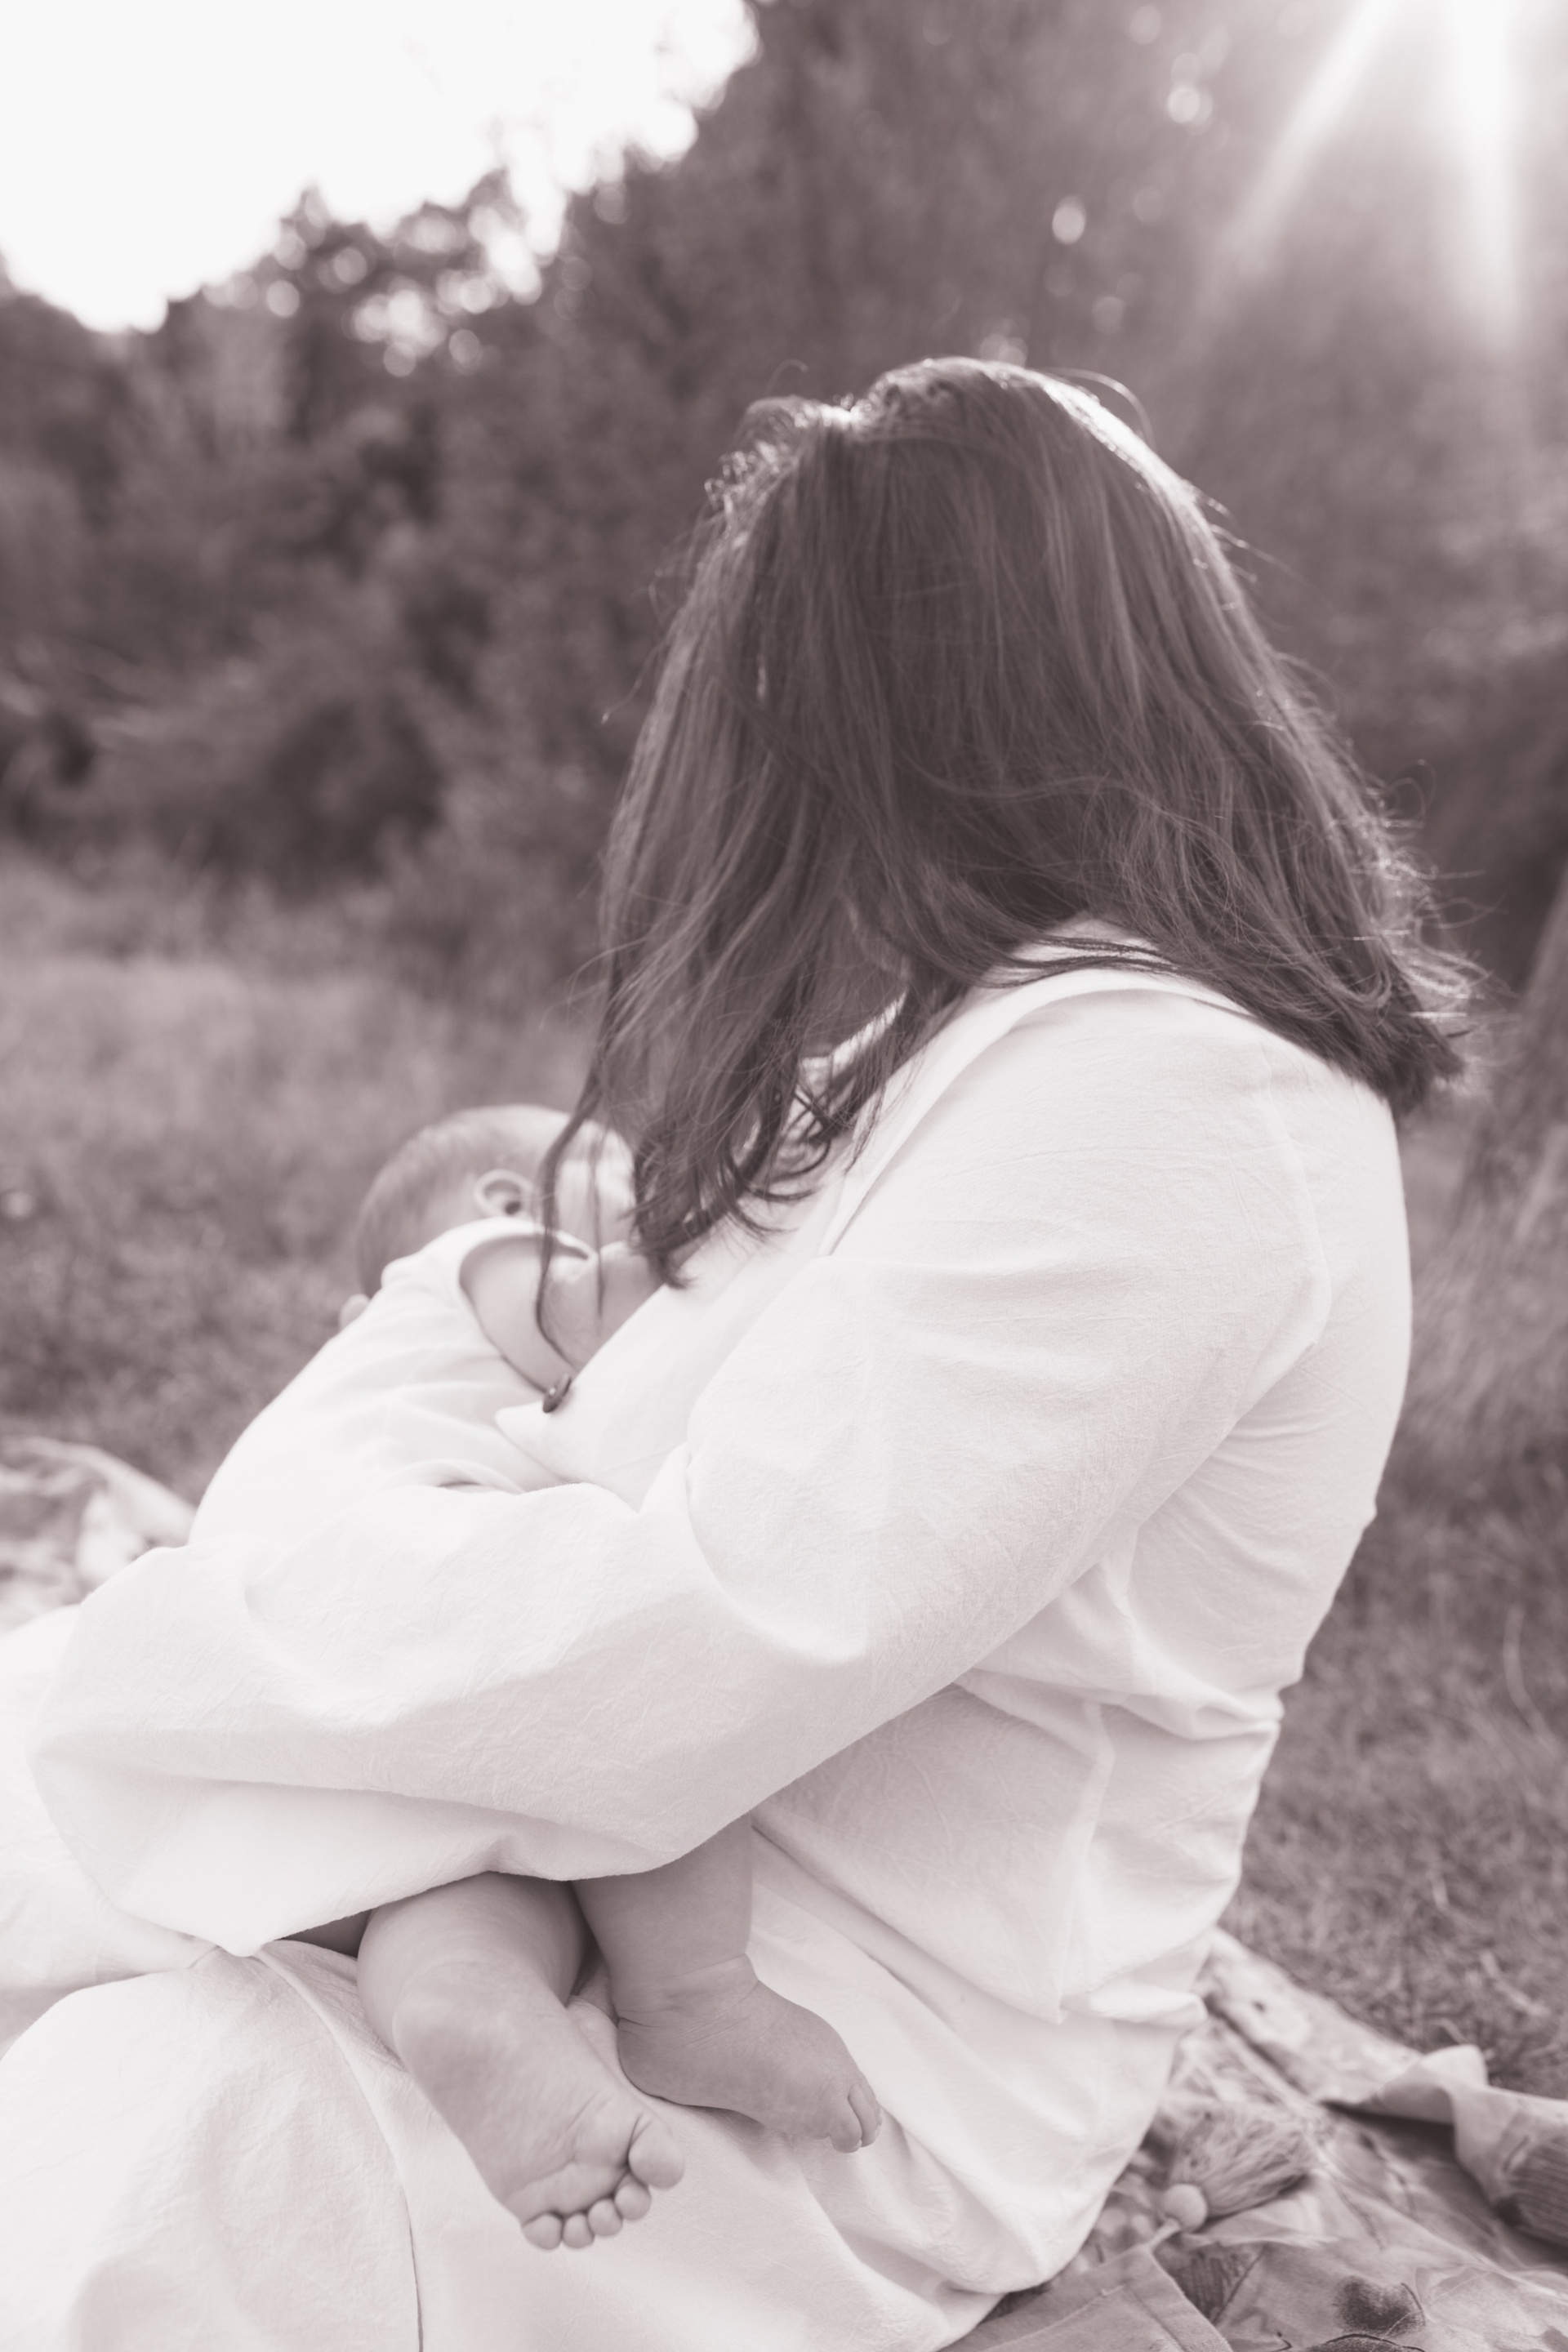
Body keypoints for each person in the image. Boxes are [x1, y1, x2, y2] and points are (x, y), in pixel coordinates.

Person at [0, 359, 1464, 2351]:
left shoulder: (1179, 1106)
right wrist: (382, 1445)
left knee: (150, 2141)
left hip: (822, 2014)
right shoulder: (958, 1042)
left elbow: (696, 1639)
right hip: (549, 1816)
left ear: (936, 709)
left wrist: (225, 1610)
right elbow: (546, 1373)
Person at [194, 1099, 880, 2245]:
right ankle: (691, 1993)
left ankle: (461, 1998)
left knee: (470, 1885)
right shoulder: (487, 1255)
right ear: (513, 1201)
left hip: (272, 1667)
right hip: (398, 1565)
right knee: (655, 1655)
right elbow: (630, 1318)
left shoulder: (360, 1371)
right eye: (625, 1185)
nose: (653, 1209)